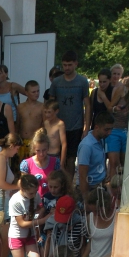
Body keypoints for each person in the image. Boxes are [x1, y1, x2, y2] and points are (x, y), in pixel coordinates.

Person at [46, 51, 91, 179]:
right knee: (55, 156)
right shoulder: (57, 82)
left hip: (75, 125)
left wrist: (86, 127)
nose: (67, 68)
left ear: (76, 64)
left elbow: (87, 105)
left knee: (71, 158)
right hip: (58, 125)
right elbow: (50, 103)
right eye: (64, 65)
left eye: (69, 65)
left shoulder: (82, 81)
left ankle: (68, 186)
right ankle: (55, 183)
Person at [7, 173, 46, 257]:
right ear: (22, 189)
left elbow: (40, 207)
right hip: (17, 235)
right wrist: (42, 220)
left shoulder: (35, 195)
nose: (33, 195)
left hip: (30, 235)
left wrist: (39, 214)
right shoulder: (15, 200)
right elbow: (22, 224)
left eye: (35, 192)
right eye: (30, 193)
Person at [77, 112, 114, 202]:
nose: (109, 133)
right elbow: (83, 175)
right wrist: (86, 199)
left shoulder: (100, 140)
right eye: (106, 129)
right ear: (97, 127)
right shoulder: (87, 146)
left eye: (111, 129)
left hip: (100, 186)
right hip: (90, 189)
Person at [77, 186, 116, 257]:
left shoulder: (116, 217)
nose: (95, 214)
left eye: (97, 211)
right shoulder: (89, 218)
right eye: (92, 211)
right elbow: (90, 241)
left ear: (106, 206)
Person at [20, 128, 61, 201]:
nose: (41, 154)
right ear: (33, 149)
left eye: (44, 150)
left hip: (51, 201)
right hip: (33, 202)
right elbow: (24, 186)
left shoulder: (55, 162)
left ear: (48, 148)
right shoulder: (26, 164)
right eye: (38, 151)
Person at [104, 75, 129, 180]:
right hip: (115, 129)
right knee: (114, 163)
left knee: (126, 164)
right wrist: (116, 109)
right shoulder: (121, 89)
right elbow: (109, 108)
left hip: (128, 130)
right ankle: (113, 190)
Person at [15, 80, 44, 161]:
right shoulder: (20, 107)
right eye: (33, 92)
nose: (36, 93)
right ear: (26, 92)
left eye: (38, 91)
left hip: (34, 142)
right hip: (21, 141)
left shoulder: (42, 107)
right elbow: (18, 125)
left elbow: (44, 125)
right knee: (20, 167)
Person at [42, 100, 67, 173]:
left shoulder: (60, 124)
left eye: (49, 112)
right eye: (45, 112)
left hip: (55, 155)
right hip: (46, 155)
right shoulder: (45, 123)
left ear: (56, 111)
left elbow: (64, 144)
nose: (47, 115)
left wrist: (62, 163)